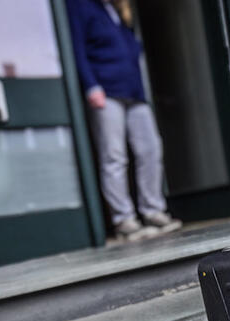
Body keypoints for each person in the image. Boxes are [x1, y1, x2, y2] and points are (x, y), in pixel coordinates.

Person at [67, 0, 181, 241]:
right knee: (114, 156)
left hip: (134, 92)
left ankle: (153, 210)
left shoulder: (117, 11)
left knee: (150, 149)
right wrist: (91, 86)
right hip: (105, 93)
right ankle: (124, 219)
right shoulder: (79, 6)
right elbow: (76, 49)